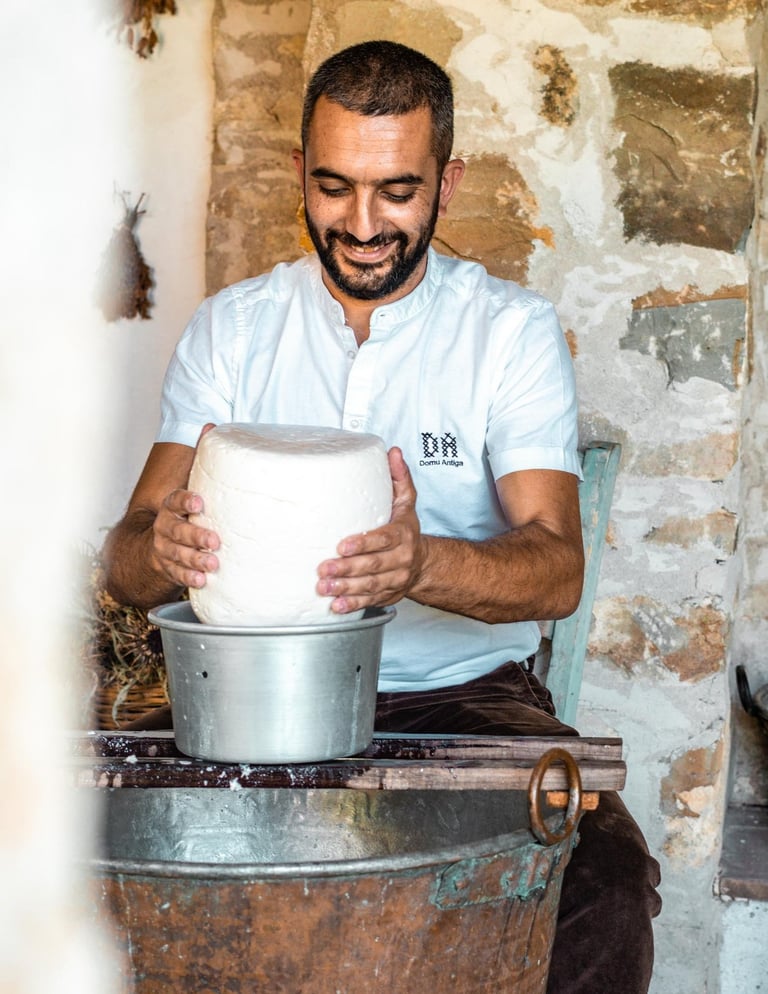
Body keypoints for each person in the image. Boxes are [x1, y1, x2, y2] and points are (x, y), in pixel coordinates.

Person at [103, 40, 661, 994]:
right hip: (238, 700)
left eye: (397, 191)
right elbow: (125, 561)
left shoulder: (507, 332)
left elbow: (556, 569)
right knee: (75, 852)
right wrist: (160, 549)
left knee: (602, 884)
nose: (362, 224)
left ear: (447, 183)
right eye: (333, 188)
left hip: (459, 701)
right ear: (300, 177)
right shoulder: (234, 329)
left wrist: (418, 566)